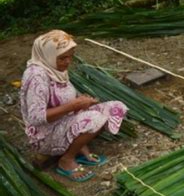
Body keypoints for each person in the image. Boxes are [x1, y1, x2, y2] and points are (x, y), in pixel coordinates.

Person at [20, 30, 128, 181]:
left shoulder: (55, 68)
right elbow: (36, 117)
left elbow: (65, 96)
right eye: (63, 58)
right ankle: (66, 160)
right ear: (47, 55)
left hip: (64, 120)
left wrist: (81, 102)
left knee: (115, 107)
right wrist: (73, 106)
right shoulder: (37, 77)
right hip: (45, 134)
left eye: (71, 56)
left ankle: (79, 147)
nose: (68, 61)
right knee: (96, 118)